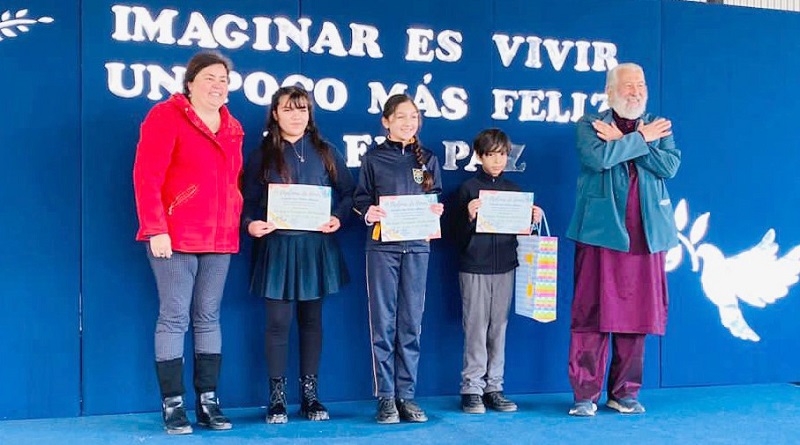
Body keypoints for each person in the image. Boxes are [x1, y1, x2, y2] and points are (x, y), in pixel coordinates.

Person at [133, 51, 243, 434]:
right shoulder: (165, 116)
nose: (218, 85)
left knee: (208, 315)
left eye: (224, 79)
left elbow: (231, 184)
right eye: (210, 77)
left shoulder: (233, 127)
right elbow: (147, 175)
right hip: (174, 234)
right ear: (191, 82)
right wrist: (155, 227)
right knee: (175, 315)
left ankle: (208, 402)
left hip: (219, 237)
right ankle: (173, 405)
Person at [565, 63, 680, 416]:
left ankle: (624, 393)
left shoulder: (658, 124)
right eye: (628, 86)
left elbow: (669, 167)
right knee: (590, 314)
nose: (636, 91)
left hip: (645, 237)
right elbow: (598, 159)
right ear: (610, 91)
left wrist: (627, 141)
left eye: (641, 84)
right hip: (599, 234)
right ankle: (586, 394)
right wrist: (641, 140)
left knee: (638, 317)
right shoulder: (589, 124)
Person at [241, 86, 355, 424]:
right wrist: (250, 224)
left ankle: (310, 398)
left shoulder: (326, 151)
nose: (296, 115)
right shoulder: (262, 153)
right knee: (277, 324)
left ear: (310, 114)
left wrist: (339, 217)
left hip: (314, 247)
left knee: (311, 322)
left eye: (302, 109)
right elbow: (246, 201)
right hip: (276, 246)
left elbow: (349, 195)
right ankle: (276, 400)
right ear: (275, 114)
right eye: (288, 109)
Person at [353, 94, 444, 424]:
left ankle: (407, 395)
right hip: (382, 248)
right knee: (384, 323)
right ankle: (386, 397)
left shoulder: (427, 160)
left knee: (410, 324)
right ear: (386, 121)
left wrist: (435, 209)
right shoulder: (374, 159)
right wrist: (368, 212)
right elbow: (360, 198)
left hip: (418, 247)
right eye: (402, 117)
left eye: (414, 117)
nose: (409, 122)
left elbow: (431, 195)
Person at [453, 128, 543, 414]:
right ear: (479, 156)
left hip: (505, 265)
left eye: (502, 155)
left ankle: (494, 386)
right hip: (474, 267)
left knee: (499, 328)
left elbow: (521, 233)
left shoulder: (515, 191)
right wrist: (468, 214)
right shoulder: (467, 189)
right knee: (476, 327)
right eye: (491, 155)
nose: (497, 161)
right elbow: (453, 235)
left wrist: (532, 219)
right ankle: (471, 388)